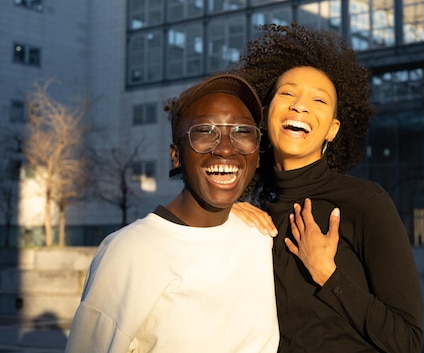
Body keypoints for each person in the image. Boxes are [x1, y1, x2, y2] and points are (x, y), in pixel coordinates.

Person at [234, 23, 424, 353]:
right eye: (288, 93)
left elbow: (407, 341)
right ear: (265, 116)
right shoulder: (254, 215)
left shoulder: (364, 202)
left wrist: (328, 274)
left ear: (332, 130)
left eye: (319, 100)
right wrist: (222, 213)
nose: (300, 106)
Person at [65, 73, 279, 353]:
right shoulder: (130, 251)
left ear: (258, 154)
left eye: (242, 132)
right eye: (205, 132)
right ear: (175, 155)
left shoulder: (258, 237)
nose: (226, 148)